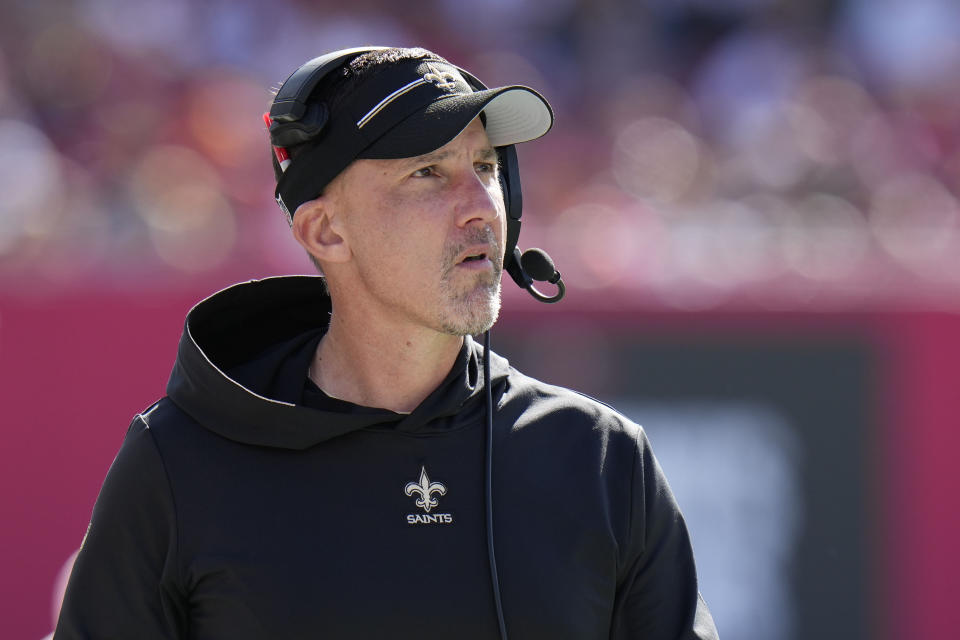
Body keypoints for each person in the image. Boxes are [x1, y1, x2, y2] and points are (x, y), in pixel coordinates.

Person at [54, 46, 718, 639]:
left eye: (486, 167)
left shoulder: (602, 460)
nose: (481, 205)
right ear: (325, 233)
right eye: (427, 173)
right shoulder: (178, 463)